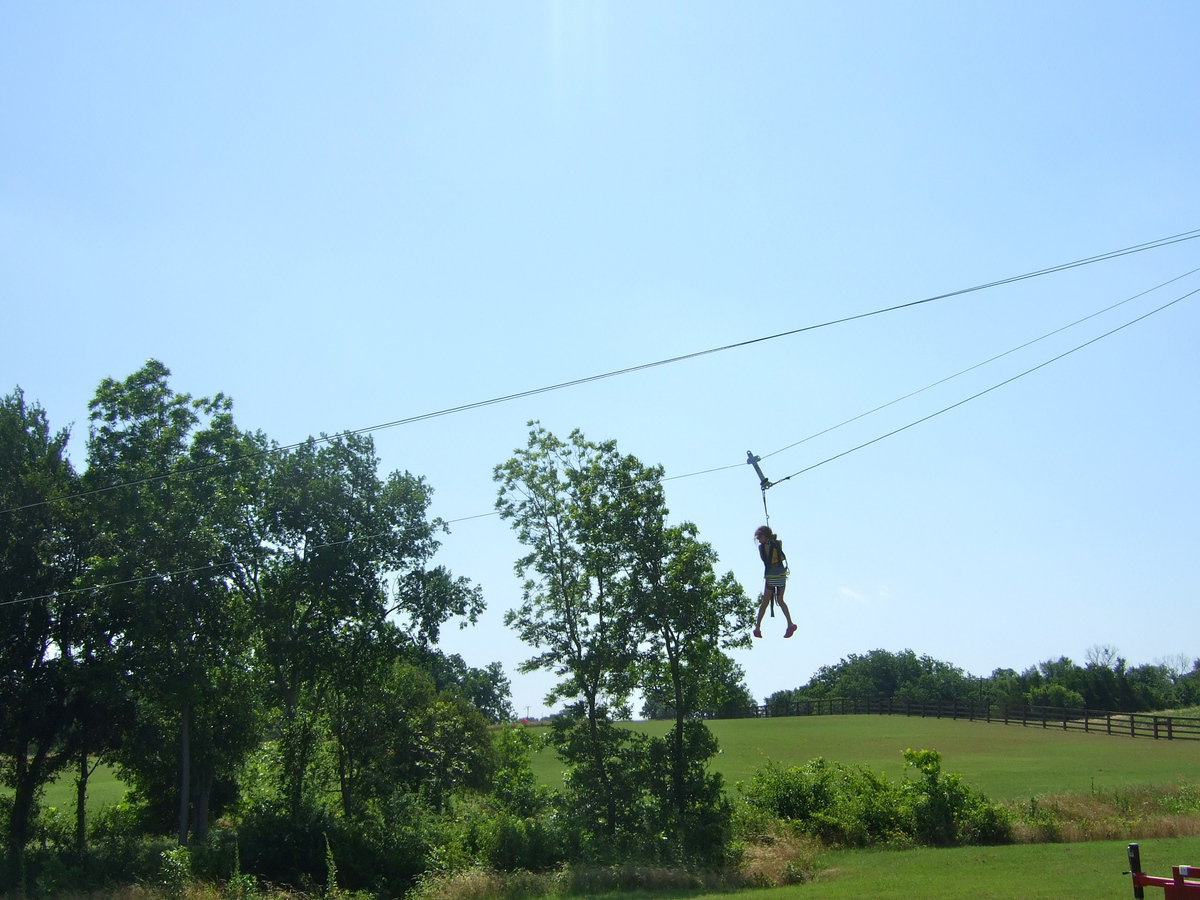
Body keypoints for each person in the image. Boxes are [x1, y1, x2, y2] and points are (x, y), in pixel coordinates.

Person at [754, 525, 797, 638]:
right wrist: (772, 540)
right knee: (780, 600)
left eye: (759, 537)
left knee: (765, 602)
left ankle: (757, 627)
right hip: (781, 575)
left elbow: (765, 560)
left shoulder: (762, 547)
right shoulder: (778, 543)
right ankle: (790, 623)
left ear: (764, 536)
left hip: (771, 576)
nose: (758, 540)